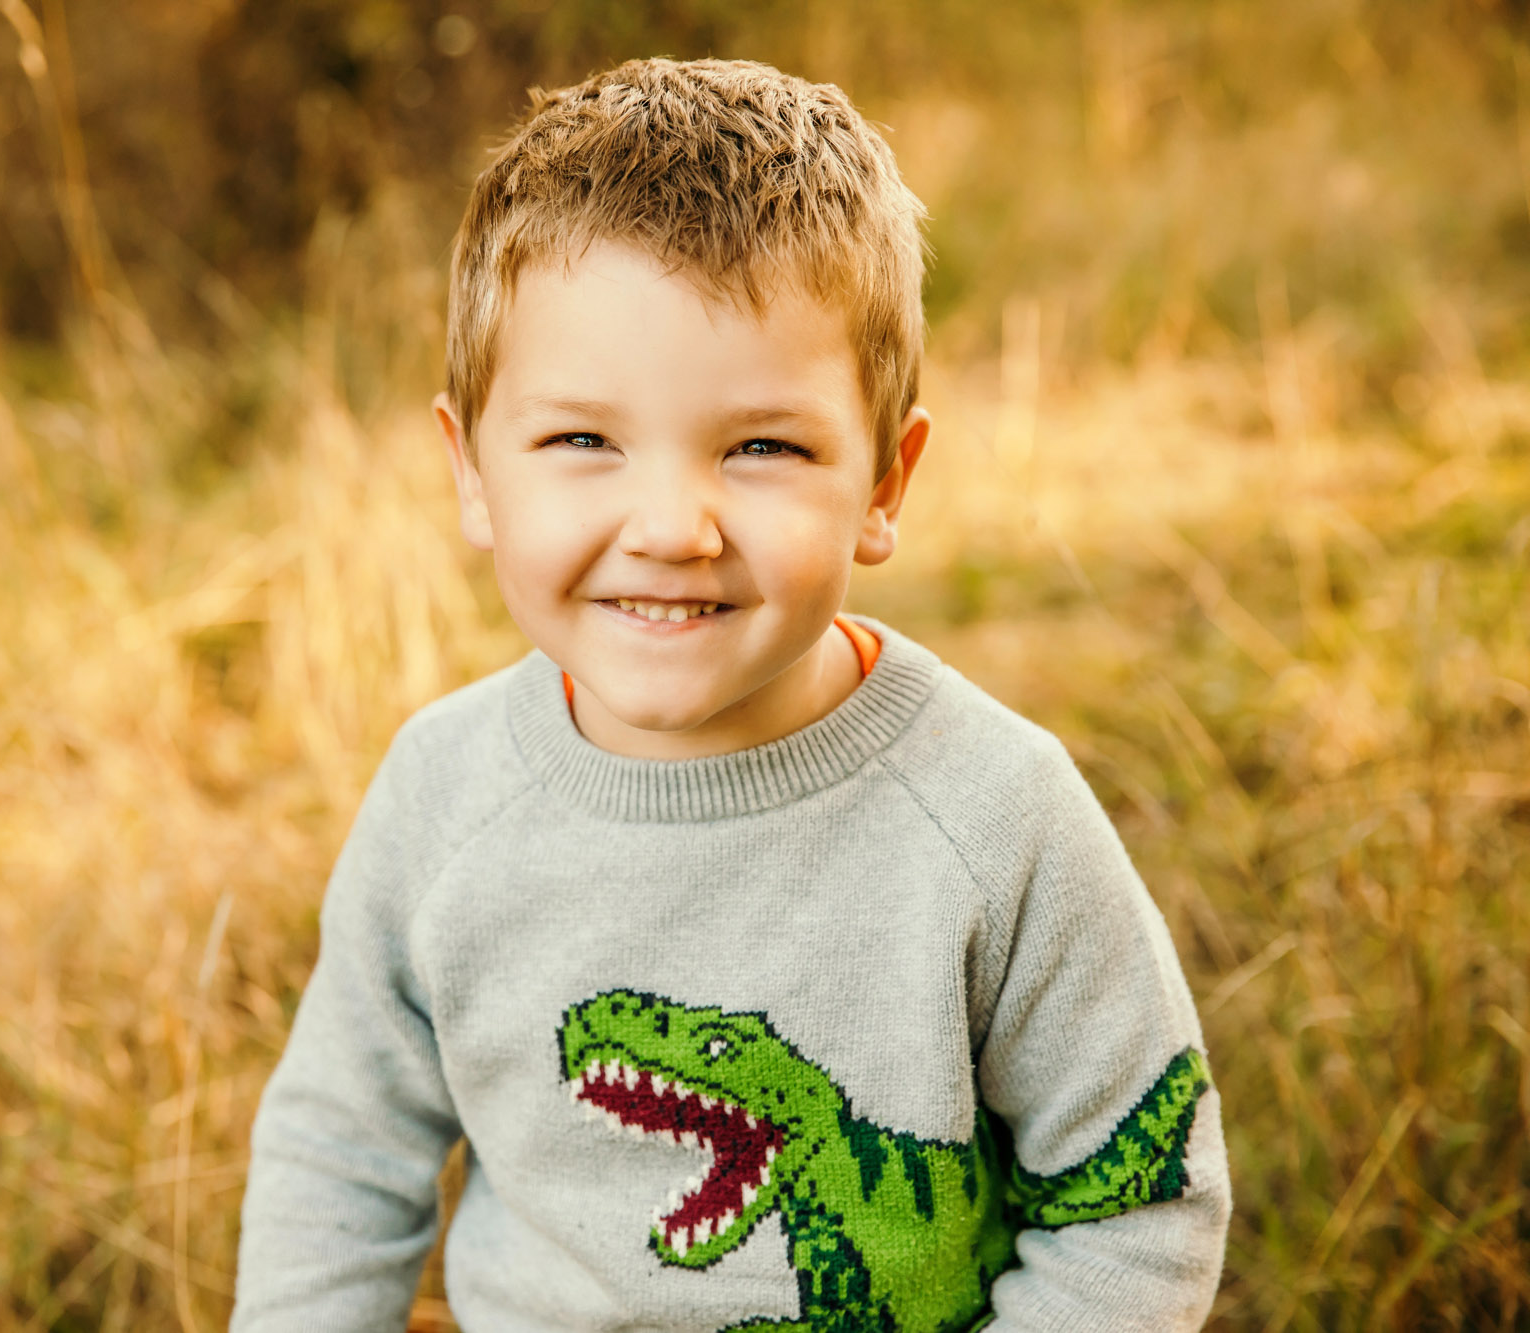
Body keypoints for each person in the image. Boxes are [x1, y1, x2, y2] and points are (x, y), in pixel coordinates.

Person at [231, 57, 1228, 1332]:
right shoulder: (441, 797)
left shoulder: (994, 811)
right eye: (581, 440)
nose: (669, 527)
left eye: (761, 446)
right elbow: (338, 1154)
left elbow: (1134, 1198)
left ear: (882, 483)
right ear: (470, 472)